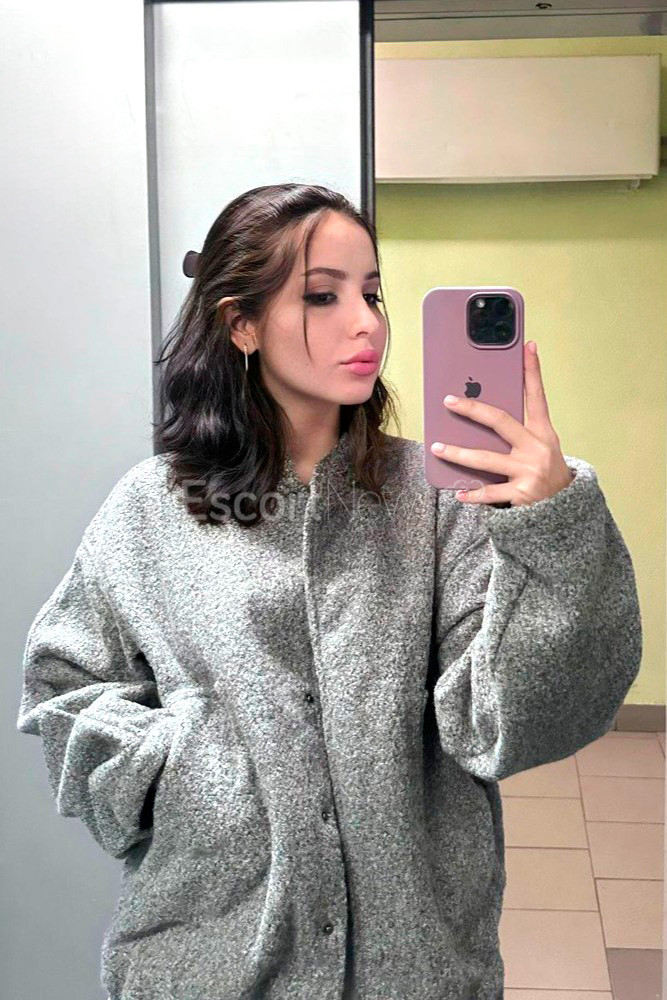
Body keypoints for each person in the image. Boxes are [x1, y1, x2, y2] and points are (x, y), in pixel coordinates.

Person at [16, 182, 642, 1000]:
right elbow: (65, 684)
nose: (366, 323)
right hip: (205, 959)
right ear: (241, 323)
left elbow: (510, 722)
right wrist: (182, 775)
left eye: (371, 293)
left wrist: (551, 522)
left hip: (411, 967)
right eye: (322, 296)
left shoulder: (438, 501)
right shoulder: (152, 507)